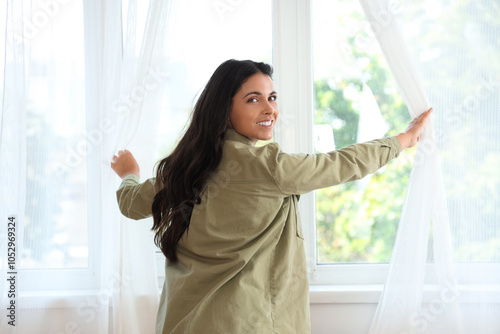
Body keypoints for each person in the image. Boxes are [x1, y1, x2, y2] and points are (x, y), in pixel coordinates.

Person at [110, 59, 432, 334]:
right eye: (253, 99)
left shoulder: (183, 169)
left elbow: (130, 203)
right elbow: (340, 164)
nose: (270, 109)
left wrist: (129, 174)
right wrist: (403, 139)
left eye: (272, 97)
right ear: (225, 109)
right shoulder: (268, 168)